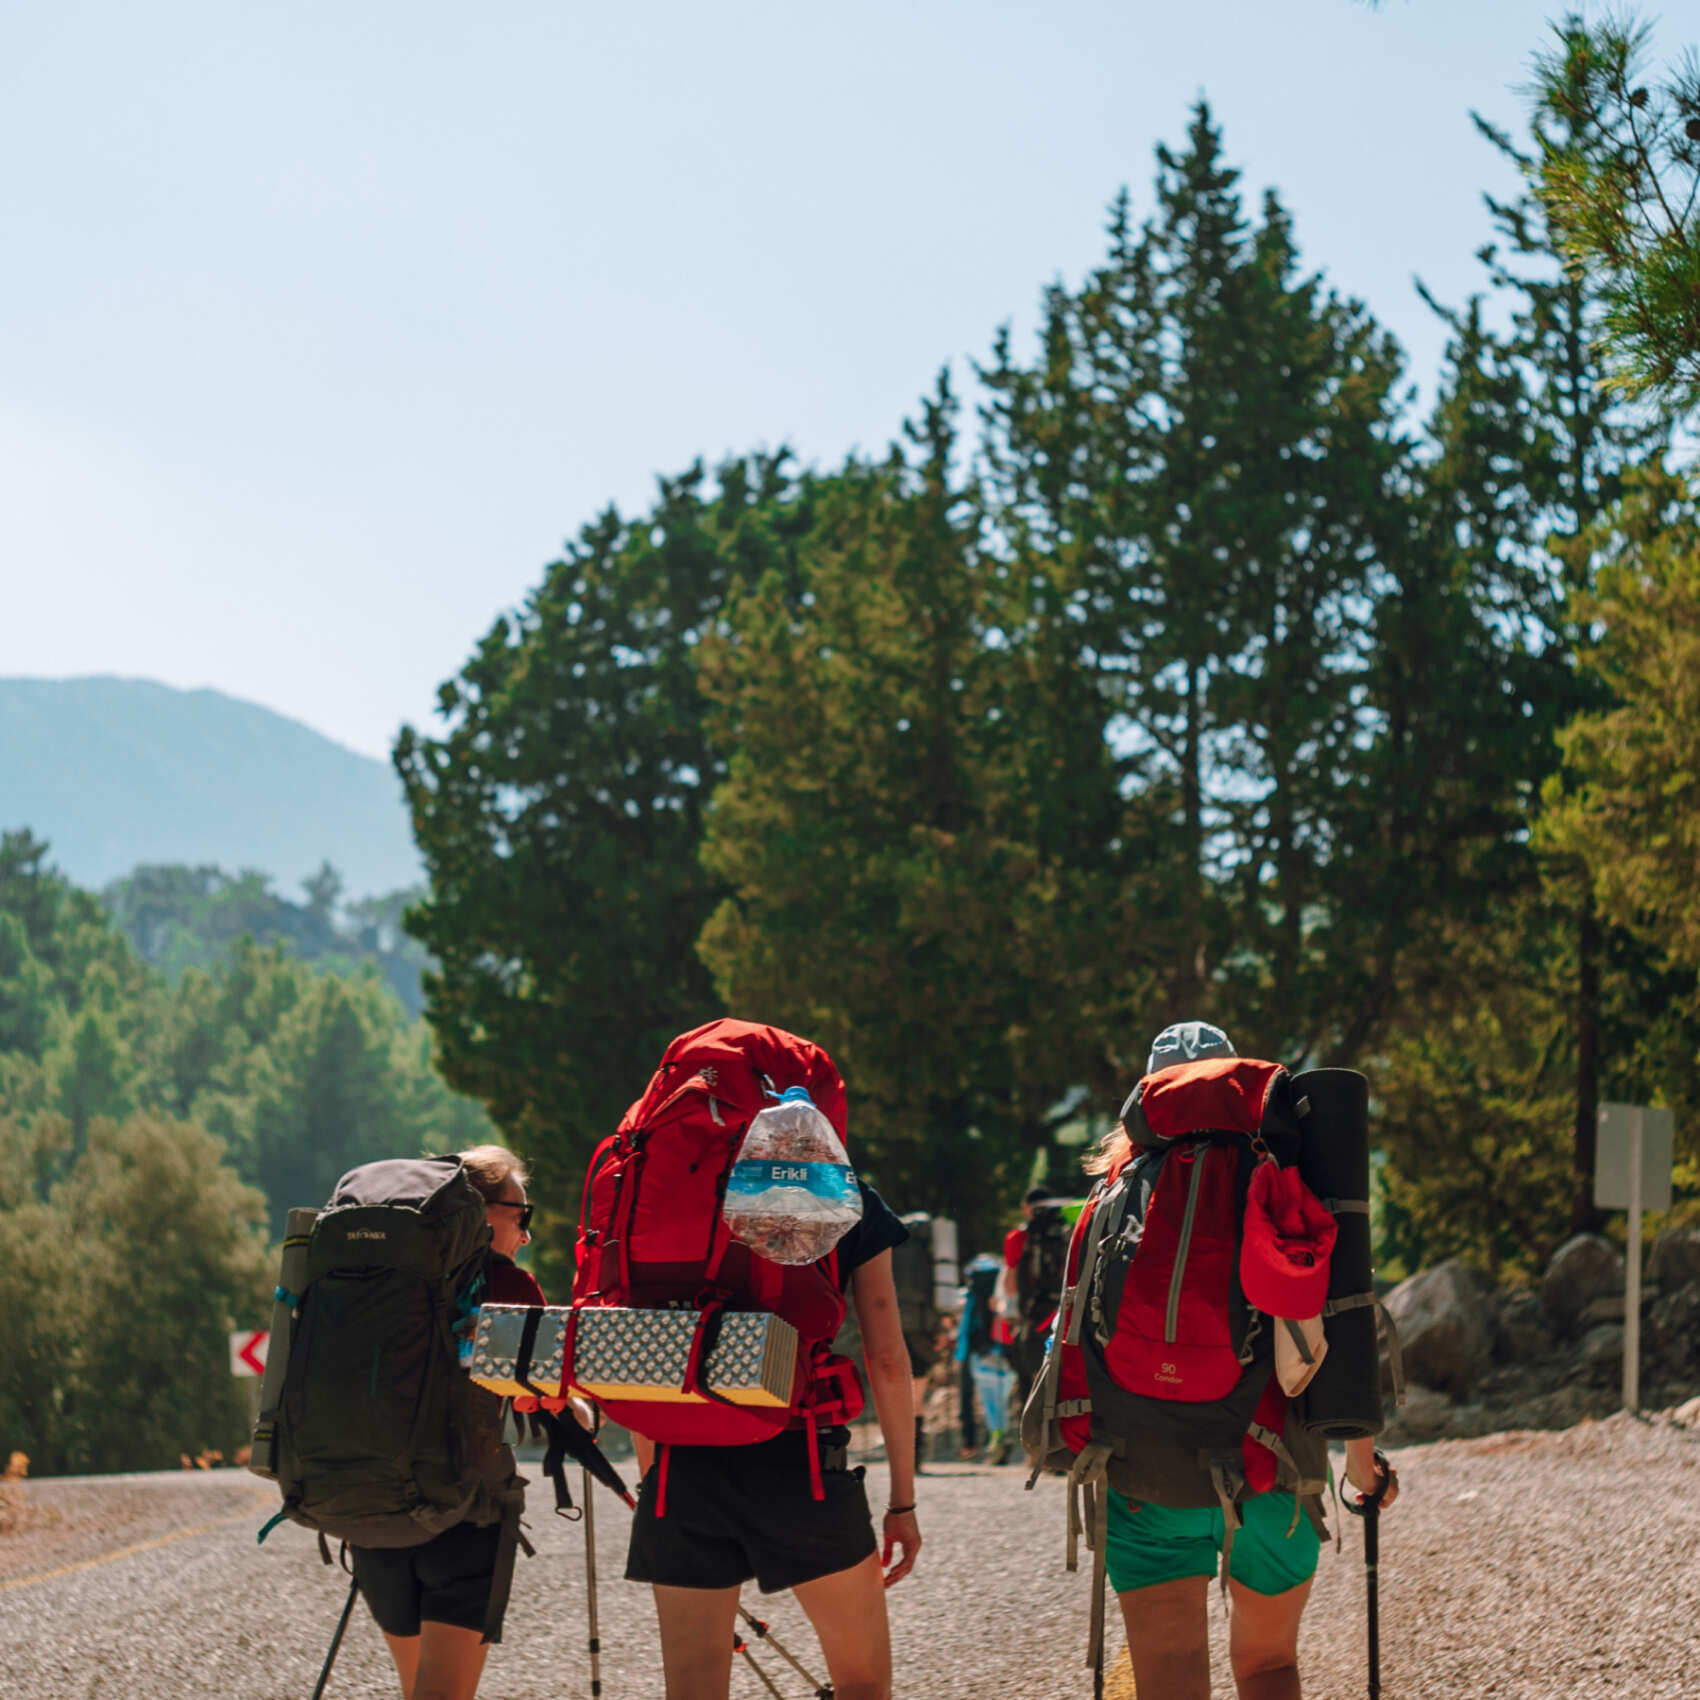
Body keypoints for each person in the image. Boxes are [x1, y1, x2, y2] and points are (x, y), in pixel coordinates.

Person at [1094, 1022, 1400, 1700]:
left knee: (1170, 1679)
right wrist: (1361, 1464)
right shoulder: (1289, 1183)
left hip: (1146, 1473)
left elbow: (1074, 1341)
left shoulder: (1115, 1192)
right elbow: (1344, 1317)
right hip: (1273, 1467)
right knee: (1267, 1668)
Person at [623, 1175, 921, 1700]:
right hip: (800, 1457)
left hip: (680, 1467)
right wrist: (902, 1502)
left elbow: (642, 1341)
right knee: (863, 1684)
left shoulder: (666, 1182)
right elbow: (889, 1361)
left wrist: (654, 1477)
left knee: (692, 1691)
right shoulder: (842, 1191)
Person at [348, 1143, 543, 1700]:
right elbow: (535, 1396)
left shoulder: (374, 1287)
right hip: (463, 1514)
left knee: (418, 1688)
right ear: (479, 1213)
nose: (525, 1234)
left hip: (369, 1505)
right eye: (520, 1215)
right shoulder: (509, 1287)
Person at [955, 1252, 1015, 1464]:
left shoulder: (971, 1295)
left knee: (990, 1402)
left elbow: (967, 1328)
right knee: (1000, 1401)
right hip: (1002, 1351)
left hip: (978, 1353)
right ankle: (998, 1441)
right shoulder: (997, 1294)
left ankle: (996, 1442)